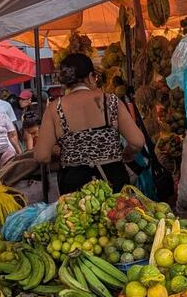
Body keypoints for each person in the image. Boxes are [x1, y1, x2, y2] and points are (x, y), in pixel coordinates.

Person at [32, 52, 144, 194]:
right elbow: (137, 142)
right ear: (91, 77)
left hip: (75, 187)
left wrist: (65, 151)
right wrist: (127, 153)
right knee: (116, 215)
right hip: (113, 180)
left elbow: (41, 156)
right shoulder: (111, 101)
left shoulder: (55, 108)